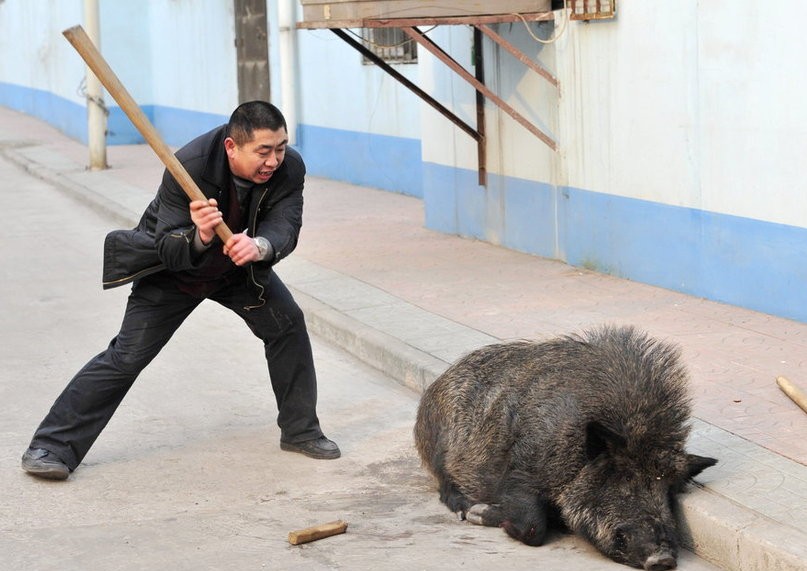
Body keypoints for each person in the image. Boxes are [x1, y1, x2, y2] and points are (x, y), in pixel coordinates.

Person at [21, 101, 340, 481]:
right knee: (127, 355)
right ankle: (52, 446)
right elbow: (167, 247)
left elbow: (286, 223)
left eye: (281, 147)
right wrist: (201, 235)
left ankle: (301, 431)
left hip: (238, 271)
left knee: (288, 326)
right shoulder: (188, 165)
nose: (274, 160)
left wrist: (261, 247)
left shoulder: (290, 168)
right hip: (173, 273)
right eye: (263, 151)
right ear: (231, 147)